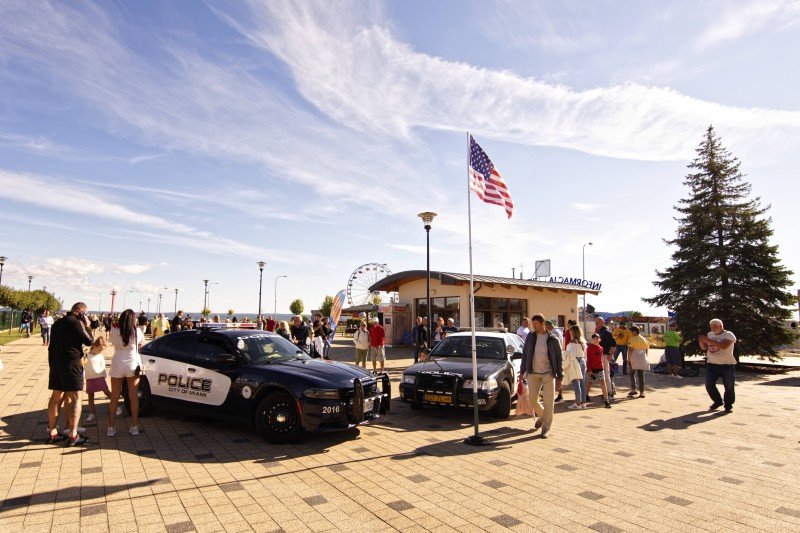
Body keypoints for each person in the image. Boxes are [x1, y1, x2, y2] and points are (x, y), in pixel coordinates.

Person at [47, 302, 93, 446]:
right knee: (76, 397)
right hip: (72, 363)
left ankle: (53, 431)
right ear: (80, 312)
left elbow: (51, 345)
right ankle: (73, 434)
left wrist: (51, 364)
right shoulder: (76, 323)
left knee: (56, 397)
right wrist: (87, 325)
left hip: (56, 363)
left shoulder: (57, 323)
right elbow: (89, 341)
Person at [519, 314, 563, 438]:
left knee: (549, 402)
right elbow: (525, 354)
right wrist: (522, 372)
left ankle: (546, 429)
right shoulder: (530, 337)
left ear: (543, 324)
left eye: (536, 324)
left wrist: (560, 377)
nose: (534, 326)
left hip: (548, 373)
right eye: (533, 324)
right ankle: (543, 417)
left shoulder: (553, 339)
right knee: (532, 400)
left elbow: (559, 360)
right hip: (533, 372)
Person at [106, 309, 144, 437]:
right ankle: (134, 426)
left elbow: (111, 342)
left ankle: (111, 427)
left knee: (115, 396)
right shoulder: (137, 331)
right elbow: (141, 344)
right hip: (132, 363)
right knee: (133, 396)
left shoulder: (115, 331)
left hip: (117, 362)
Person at [699, 319, 737, 413]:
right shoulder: (710, 334)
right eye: (711, 326)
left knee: (728, 386)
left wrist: (708, 340)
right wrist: (701, 341)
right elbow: (704, 348)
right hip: (712, 364)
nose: (712, 328)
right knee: (709, 385)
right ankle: (718, 401)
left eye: (714, 326)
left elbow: (724, 346)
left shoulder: (728, 335)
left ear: (720, 326)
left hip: (726, 365)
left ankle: (728, 405)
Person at [84, 337, 121, 422]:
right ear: (95, 346)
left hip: (99, 377)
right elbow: (83, 365)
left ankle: (116, 406)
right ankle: (91, 414)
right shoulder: (86, 355)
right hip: (90, 378)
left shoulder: (100, 356)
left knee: (107, 392)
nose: (101, 352)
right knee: (90, 396)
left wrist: (104, 376)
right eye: (100, 349)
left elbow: (103, 367)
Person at [563, 325, 587, 409]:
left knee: (575, 382)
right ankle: (583, 402)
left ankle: (578, 403)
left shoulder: (572, 342)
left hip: (575, 361)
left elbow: (569, 353)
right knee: (582, 382)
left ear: (573, 332)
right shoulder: (583, 341)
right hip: (582, 361)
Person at [584, 334, 611, 408]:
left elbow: (601, 358)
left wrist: (602, 366)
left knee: (603, 382)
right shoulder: (589, 348)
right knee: (590, 382)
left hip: (600, 368)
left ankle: (606, 400)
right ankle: (586, 394)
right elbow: (588, 359)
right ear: (592, 340)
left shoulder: (601, 348)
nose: (595, 340)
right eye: (594, 339)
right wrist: (589, 370)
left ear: (599, 339)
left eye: (597, 338)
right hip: (592, 369)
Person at [594, 317, 616, 397]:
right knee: (601, 374)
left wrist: (611, 355)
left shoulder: (606, 332)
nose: (596, 324)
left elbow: (613, 344)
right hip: (600, 355)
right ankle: (605, 391)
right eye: (595, 322)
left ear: (602, 322)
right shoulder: (599, 331)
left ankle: (609, 392)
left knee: (606, 374)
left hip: (605, 355)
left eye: (598, 322)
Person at [626, 326, 649, 398]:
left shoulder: (632, 339)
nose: (631, 333)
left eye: (631, 331)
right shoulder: (643, 338)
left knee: (632, 373)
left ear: (634, 331)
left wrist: (628, 359)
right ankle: (642, 392)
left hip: (634, 358)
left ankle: (633, 389)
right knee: (641, 375)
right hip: (642, 358)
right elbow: (646, 349)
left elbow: (630, 350)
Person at [545, 320, 565, 402]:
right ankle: (559, 394)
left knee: (557, 376)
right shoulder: (558, 331)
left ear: (548, 326)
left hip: (556, 355)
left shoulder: (553, 333)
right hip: (559, 354)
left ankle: (559, 395)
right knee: (558, 376)